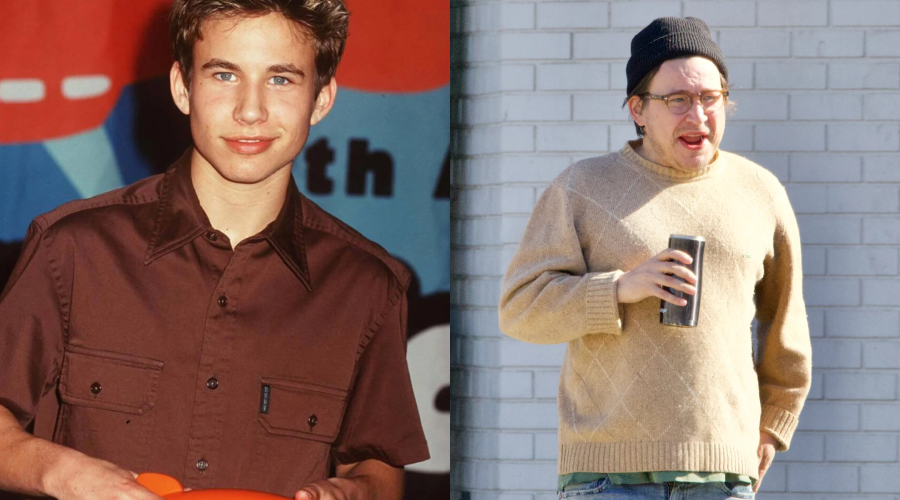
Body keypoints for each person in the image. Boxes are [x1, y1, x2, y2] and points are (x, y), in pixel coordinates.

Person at [0, 1, 428, 499]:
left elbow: (376, 466)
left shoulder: (368, 284)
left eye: (281, 79)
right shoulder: (72, 249)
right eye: (225, 75)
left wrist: (351, 493)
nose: (251, 110)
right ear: (183, 87)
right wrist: (60, 472)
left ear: (322, 98)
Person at [498, 17, 811, 499]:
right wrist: (619, 288)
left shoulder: (760, 192)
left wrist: (773, 425)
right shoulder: (582, 188)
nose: (699, 115)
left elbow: (785, 324)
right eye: (678, 100)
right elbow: (520, 309)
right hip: (606, 480)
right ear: (637, 109)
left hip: (722, 478)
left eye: (711, 97)